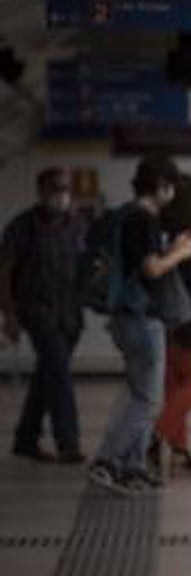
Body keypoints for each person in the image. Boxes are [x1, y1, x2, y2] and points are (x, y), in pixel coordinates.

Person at [88, 155, 191, 494]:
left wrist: (172, 249)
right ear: (161, 186)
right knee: (148, 400)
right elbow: (152, 269)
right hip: (140, 316)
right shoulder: (144, 219)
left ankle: (132, 466)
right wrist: (182, 253)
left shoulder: (126, 216)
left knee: (140, 394)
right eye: (171, 188)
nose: (173, 195)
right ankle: (106, 461)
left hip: (127, 315)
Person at [1, 168, 88, 464]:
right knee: (59, 374)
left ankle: (25, 439)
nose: (61, 195)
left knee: (47, 373)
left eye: (65, 189)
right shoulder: (22, 226)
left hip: (70, 313)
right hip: (36, 310)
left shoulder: (76, 224)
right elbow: (4, 270)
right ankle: (69, 443)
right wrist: (9, 314)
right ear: (41, 192)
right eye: (55, 189)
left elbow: (87, 264)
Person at [150, 173, 191, 476]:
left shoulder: (165, 230)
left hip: (170, 319)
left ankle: (179, 448)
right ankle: (157, 436)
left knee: (176, 383)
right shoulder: (185, 235)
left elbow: (183, 272)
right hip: (190, 320)